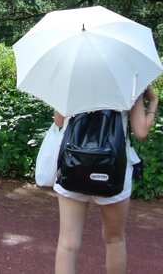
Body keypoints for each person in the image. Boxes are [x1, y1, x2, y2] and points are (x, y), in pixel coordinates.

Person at [53, 86, 159, 274]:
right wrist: (153, 103)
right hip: (112, 167)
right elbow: (141, 131)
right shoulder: (127, 78)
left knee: (68, 243)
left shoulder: (72, 74)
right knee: (114, 240)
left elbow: (59, 120)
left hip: (74, 164)